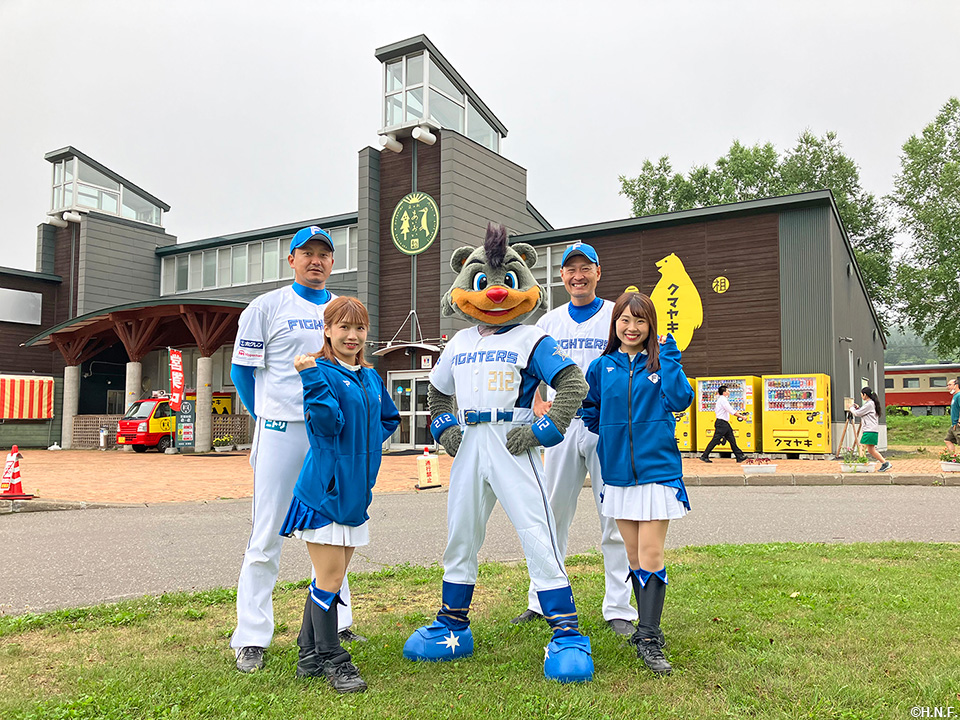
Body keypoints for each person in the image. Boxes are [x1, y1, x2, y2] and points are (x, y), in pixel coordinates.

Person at [229, 226, 360, 674]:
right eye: (308, 253)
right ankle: (251, 637)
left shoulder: (341, 309)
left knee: (333, 529)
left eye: (325, 254)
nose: (317, 260)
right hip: (283, 430)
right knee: (267, 533)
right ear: (291, 259)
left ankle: (335, 624)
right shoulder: (267, 306)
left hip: (330, 436)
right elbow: (243, 373)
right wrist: (268, 415)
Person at [512, 241, 637, 637]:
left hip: (605, 427)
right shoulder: (548, 321)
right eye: (571, 269)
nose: (578, 275)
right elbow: (530, 370)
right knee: (551, 514)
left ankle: (618, 605)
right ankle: (541, 598)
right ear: (562, 276)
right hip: (560, 429)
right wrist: (535, 404)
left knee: (615, 516)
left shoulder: (614, 317)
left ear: (599, 272)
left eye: (586, 267)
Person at [280, 297, 400, 693]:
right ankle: (334, 659)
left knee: (327, 578)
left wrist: (361, 451)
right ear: (327, 330)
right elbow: (328, 425)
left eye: (360, 328)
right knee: (330, 578)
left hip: (355, 491)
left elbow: (387, 418)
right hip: (326, 492)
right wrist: (311, 379)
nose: (352, 335)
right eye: (344, 327)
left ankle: (308, 655)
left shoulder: (369, 376)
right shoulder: (321, 372)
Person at [582, 291, 695, 675]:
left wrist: (671, 362)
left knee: (650, 555)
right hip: (617, 475)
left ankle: (648, 637)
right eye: (625, 320)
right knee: (632, 558)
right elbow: (590, 409)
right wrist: (611, 438)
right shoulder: (601, 367)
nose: (632, 328)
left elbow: (681, 401)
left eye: (640, 321)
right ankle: (645, 631)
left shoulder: (661, 363)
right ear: (615, 324)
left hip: (657, 472)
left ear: (651, 327)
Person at [699, 385, 748, 463]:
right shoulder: (723, 400)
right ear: (724, 392)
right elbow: (730, 410)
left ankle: (739, 456)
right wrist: (742, 416)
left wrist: (738, 413)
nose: (729, 392)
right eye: (728, 391)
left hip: (723, 423)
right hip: (722, 423)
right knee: (715, 440)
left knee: (732, 439)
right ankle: (704, 455)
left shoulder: (721, 400)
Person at [851, 386, 891, 472]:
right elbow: (862, 412)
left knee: (862, 447)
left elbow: (857, 414)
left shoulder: (869, 404)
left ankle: (863, 465)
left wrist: (851, 408)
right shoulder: (872, 403)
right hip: (873, 430)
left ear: (865, 395)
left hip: (869, 430)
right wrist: (858, 408)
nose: (861, 396)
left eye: (861, 394)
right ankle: (885, 463)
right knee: (871, 450)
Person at [945, 377, 960, 454]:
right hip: (953, 424)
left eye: (950, 385)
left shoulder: (959, 395)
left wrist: (959, 422)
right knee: (947, 440)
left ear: (956, 385)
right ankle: (953, 458)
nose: (948, 387)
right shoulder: (955, 396)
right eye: (947, 385)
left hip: (958, 424)